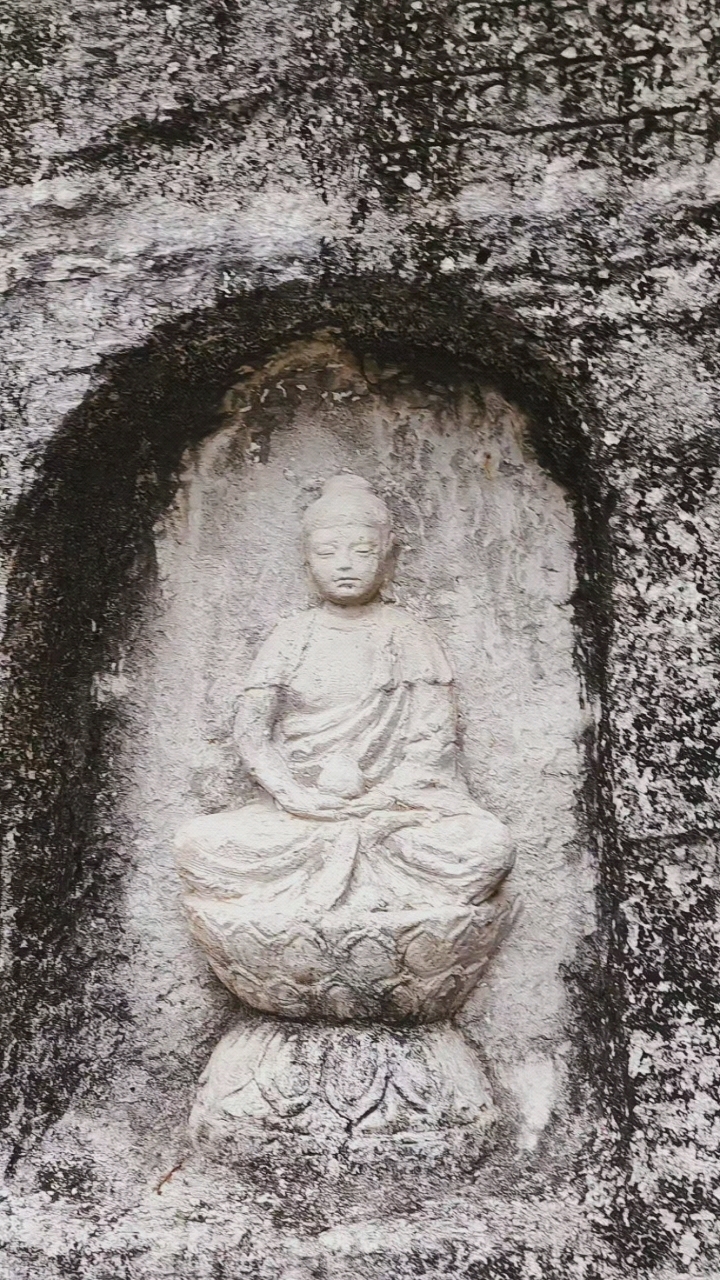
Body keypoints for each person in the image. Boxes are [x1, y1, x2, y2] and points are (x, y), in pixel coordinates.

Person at [175, 474, 514, 919]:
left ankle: (355, 875)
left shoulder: (408, 635)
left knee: (487, 845)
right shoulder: (292, 636)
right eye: (328, 552)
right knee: (197, 844)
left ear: (387, 555)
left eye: (362, 551)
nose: (345, 564)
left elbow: (433, 742)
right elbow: (252, 734)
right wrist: (294, 795)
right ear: (307, 558)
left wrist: (381, 801)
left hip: (395, 813)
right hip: (302, 814)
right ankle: (357, 878)